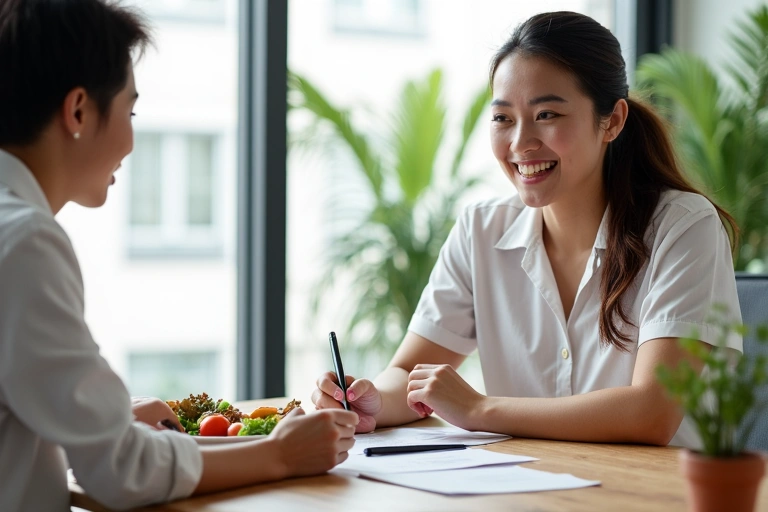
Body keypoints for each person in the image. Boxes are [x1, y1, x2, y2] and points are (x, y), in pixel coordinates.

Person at [312, 11, 742, 448]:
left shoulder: (684, 227)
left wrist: (479, 409)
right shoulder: (480, 229)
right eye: (502, 118)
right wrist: (370, 404)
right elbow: (408, 374)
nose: (520, 143)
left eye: (547, 113)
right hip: (528, 488)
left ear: (611, 121)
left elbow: (651, 412)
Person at [0, 1, 357, 510]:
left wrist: (108, 416)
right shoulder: (25, 242)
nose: (131, 139)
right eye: (130, 110)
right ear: (78, 111)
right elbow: (120, 470)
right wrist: (279, 453)